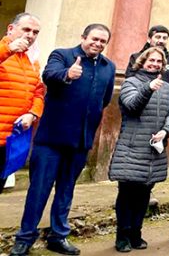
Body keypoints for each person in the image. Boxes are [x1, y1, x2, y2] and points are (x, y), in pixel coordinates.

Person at [10, 24, 116, 256]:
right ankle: (25, 238)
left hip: (80, 141)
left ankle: (58, 236)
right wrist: (67, 74)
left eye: (103, 42)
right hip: (52, 140)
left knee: (66, 191)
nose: (97, 44)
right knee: (39, 190)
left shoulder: (109, 67)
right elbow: (49, 75)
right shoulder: (63, 55)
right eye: (94, 39)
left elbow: (105, 100)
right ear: (83, 37)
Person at [109, 47, 169, 251]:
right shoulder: (130, 82)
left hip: (153, 150)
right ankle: (122, 235)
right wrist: (148, 88)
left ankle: (136, 233)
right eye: (151, 60)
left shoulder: (165, 87)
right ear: (142, 62)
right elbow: (131, 106)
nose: (155, 64)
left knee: (145, 193)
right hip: (131, 148)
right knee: (127, 193)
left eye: (158, 61)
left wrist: (166, 131)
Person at [0, 13, 44, 194]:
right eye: (26, 29)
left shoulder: (32, 61)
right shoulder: (4, 50)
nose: (30, 35)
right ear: (11, 29)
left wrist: (33, 114)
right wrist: (9, 49)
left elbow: (38, 92)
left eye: (35, 32)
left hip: (11, 139)